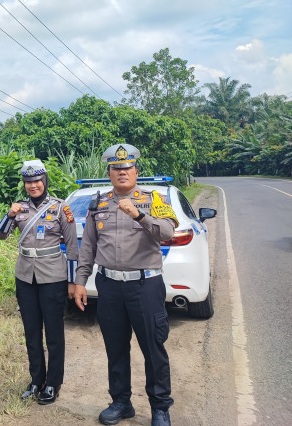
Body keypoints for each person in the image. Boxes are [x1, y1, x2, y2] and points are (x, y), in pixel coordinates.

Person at [73, 144, 177, 426]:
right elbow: (89, 247)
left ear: (136, 171)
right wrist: (80, 281)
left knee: (153, 347)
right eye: (116, 168)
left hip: (145, 286)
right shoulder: (100, 203)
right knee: (115, 347)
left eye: (127, 168)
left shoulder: (153, 198)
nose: (122, 172)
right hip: (109, 287)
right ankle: (121, 402)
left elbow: (168, 232)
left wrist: (139, 215)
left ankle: (159, 407)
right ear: (109, 173)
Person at [0, 159, 78, 405]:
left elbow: (72, 248)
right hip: (25, 277)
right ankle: (36, 380)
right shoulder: (19, 208)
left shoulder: (61, 208)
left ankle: (53, 383)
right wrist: (9, 215)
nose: (33, 186)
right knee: (31, 332)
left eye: (37, 181)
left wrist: (73, 283)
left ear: (45, 181)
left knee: (53, 334)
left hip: (53, 277)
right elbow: (0, 234)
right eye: (28, 182)